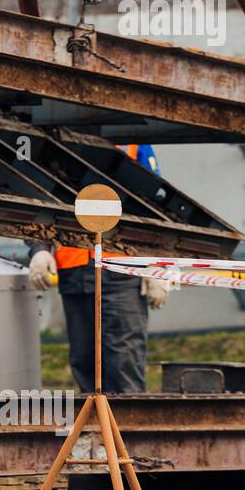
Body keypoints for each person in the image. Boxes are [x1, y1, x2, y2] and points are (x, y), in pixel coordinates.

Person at [27, 144, 168, 394]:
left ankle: (128, 429)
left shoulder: (134, 144)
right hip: (75, 269)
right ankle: (94, 430)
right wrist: (39, 248)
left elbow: (155, 208)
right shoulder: (55, 140)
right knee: (84, 360)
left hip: (122, 269)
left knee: (124, 360)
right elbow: (41, 200)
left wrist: (156, 265)